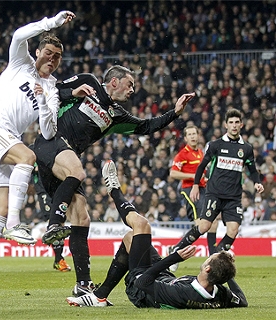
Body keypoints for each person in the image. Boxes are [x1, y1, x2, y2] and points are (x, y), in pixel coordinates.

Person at [33, 65, 195, 296]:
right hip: (50, 142)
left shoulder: (117, 115)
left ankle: (83, 284)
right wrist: (74, 92)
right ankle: (54, 225)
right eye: (130, 85)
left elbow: (146, 126)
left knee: (82, 216)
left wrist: (175, 113)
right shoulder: (89, 82)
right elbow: (54, 89)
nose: (132, 90)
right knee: (78, 172)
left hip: (65, 162)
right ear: (115, 82)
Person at [0, 11, 76, 300]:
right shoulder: (20, 63)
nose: (51, 59)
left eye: (57, 57)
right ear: (37, 52)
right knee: (27, 158)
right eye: (47, 53)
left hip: (4, 142)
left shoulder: (51, 87)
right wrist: (50, 23)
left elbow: (48, 131)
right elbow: (18, 35)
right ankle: (15, 225)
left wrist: (42, 101)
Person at [66, 160, 248, 309]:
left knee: (141, 225)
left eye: (210, 258)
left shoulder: (184, 294)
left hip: (141, 287)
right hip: (161, 276)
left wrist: (174, 258)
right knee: (130, 237)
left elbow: (142, 283)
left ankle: (114, 189)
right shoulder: (219, 292)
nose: (208, 257)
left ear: (207, 269)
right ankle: (100, 296)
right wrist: (226, 270)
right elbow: (242, 300)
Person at [169, 109, 264, 263]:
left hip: (233, 197)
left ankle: (215, 259)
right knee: (204, 226)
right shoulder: (216, 145)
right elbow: (201, 167)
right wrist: (194, 185)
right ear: (226, 125)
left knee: (233, 230)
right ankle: (177, 249)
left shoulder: (246, 148)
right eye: (231, 122)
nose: (234, 126)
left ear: (241, 125)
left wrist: (257, 182)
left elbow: (252, 169)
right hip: (214, 194)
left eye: (236, 122)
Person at [169, 125, 218, 271]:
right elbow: (173, 173)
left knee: (213, 223)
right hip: (190, 190)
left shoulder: (201, 153)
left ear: (198, 135)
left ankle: (212, 258)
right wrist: (193, 176)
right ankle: (176, 251)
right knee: (203, 224)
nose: (192, 136)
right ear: (185, 138)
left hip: (203, 189)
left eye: (194, 133)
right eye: (189, 134)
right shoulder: (182, 154)